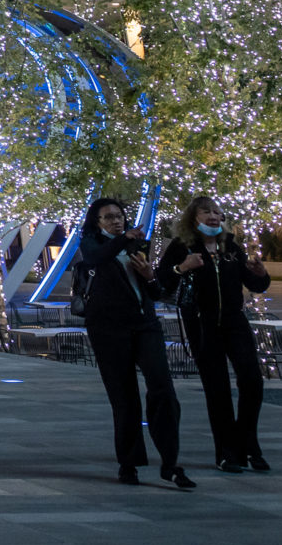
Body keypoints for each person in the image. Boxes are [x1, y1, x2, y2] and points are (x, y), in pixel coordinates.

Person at [77, 195, 193, 489]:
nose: (117, 221)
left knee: (163, 389)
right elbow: (96, 258)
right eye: (109, 217)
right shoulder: (92, 244)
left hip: (145, 325)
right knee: (124, 396)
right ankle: (128, 463)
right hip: (108, 329)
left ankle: (170, 461)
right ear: (97, 222)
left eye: (119, 216)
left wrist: (150, 276)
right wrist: (123, 239)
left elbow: (155, 292)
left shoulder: (135, 246)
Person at [168, 195, 270, 473]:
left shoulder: (231, 247)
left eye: (217, 212)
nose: (213, 216)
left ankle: (249, 444)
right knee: (217, 389)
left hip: (235, 321)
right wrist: (182, 267)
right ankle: (227, 453)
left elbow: (255, 284)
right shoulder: (182, 247)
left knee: (252, 381)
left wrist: (260, 274)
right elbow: (163, 280)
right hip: (202, 324)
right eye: (206, 212)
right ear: (194, 217)